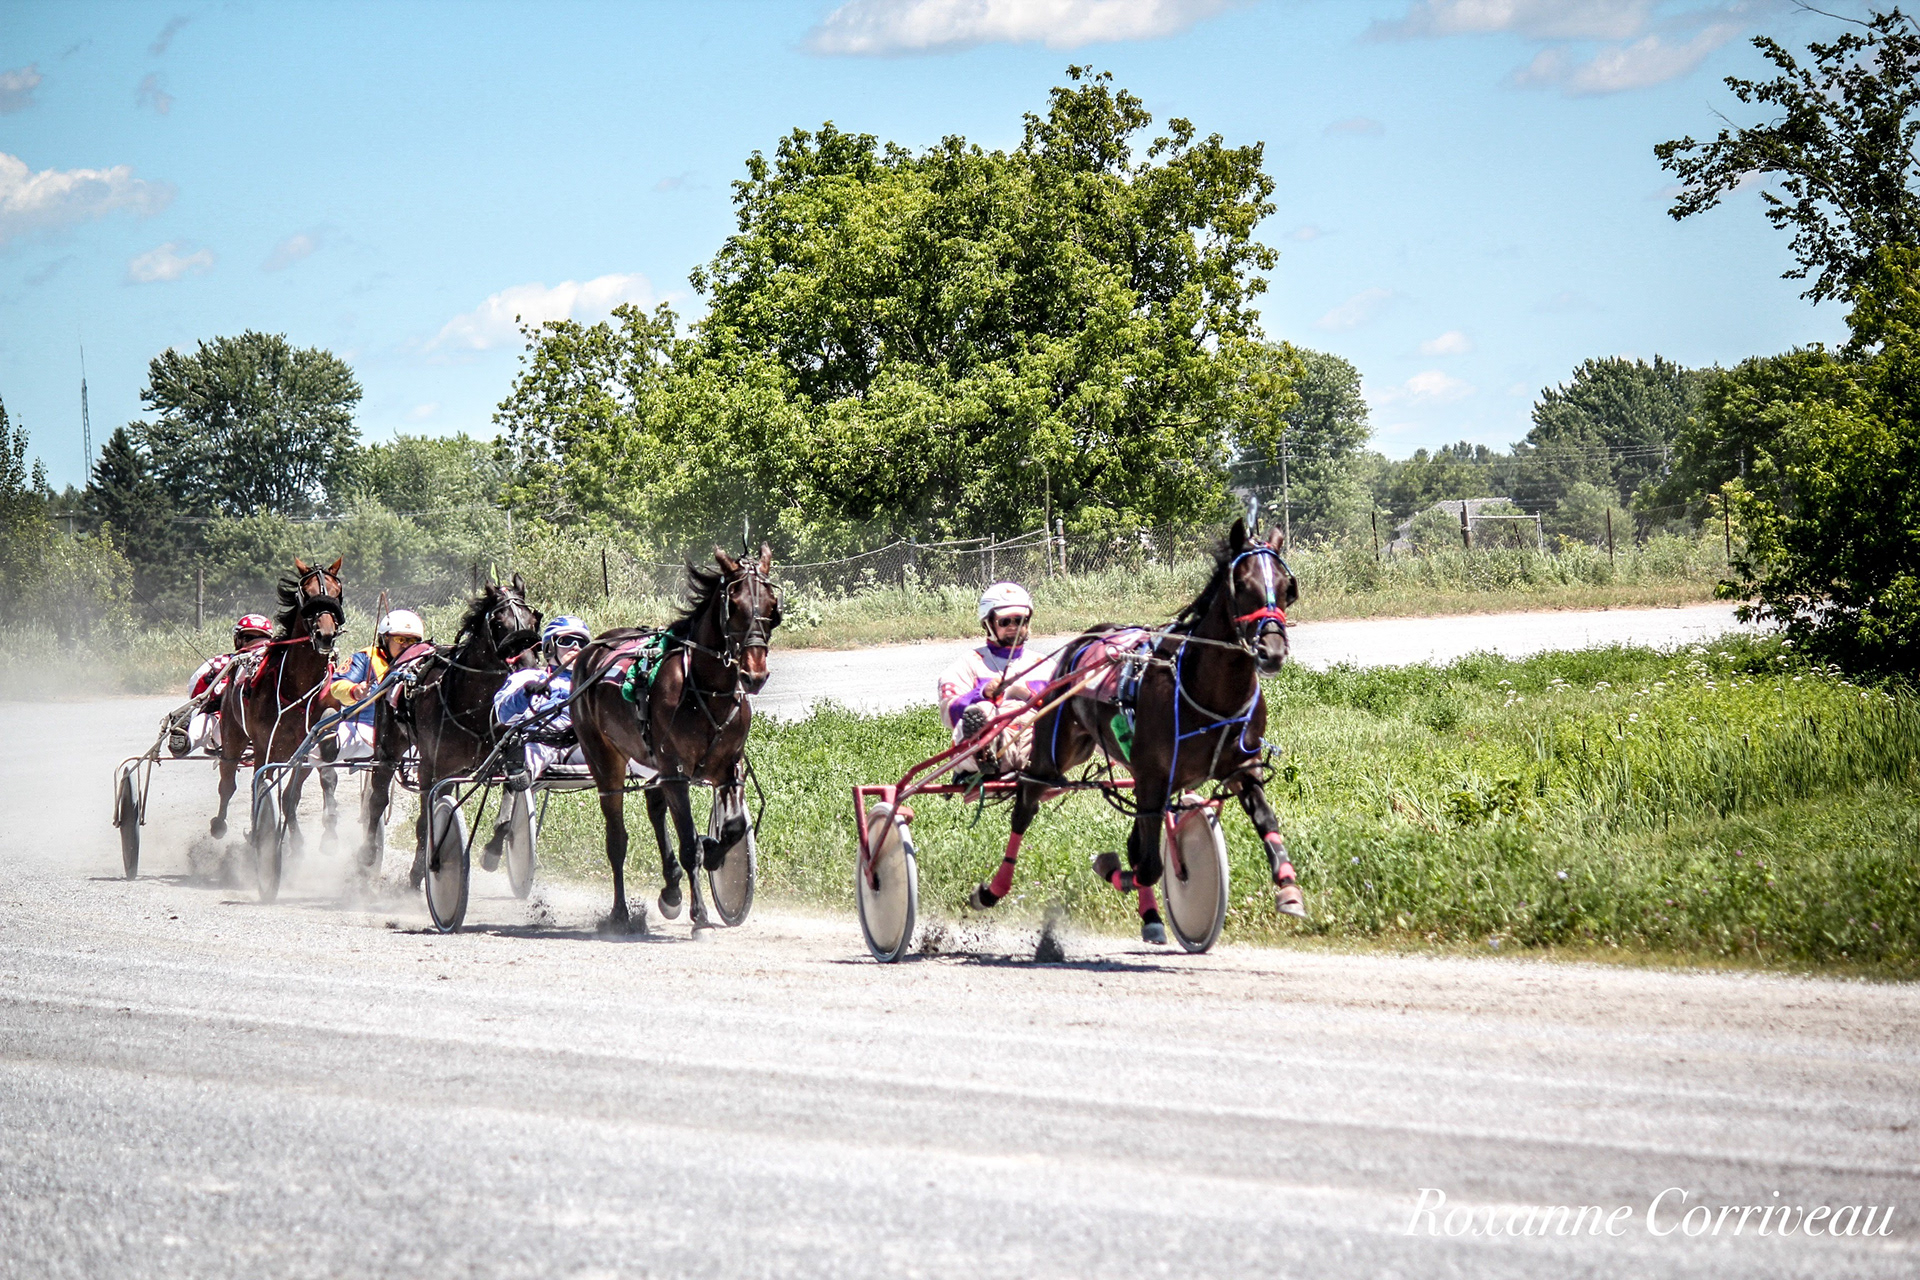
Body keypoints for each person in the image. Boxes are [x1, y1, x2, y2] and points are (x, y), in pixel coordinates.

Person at [936, 581, 1051, 780]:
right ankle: (984, 753)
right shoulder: (969, 663)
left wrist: (1030, 696)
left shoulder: (1046, 666)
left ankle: (1036, 763)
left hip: (1033, 747)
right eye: (1005, 622)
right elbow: (948, 712)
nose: (1014, 627)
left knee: (1049, 718)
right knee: (982, 711)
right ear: (988, 624)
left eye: (1020, 620)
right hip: (987, 747)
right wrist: (982, 694)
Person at [492, 614, 592, 789]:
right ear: (550, 646)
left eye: (581, 643)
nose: (575, 647)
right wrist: (526, 693)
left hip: (581, 742)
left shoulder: (592, 681)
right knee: (536, 749)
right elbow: (503, 716)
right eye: (566, 640)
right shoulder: (529, 676)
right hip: (543, 739)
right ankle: (521, 769)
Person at [327, 609, 426, 762]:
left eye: (412, 641)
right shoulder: (366, 657)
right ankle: (326, 747)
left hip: (406, 734)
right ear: (385, 638)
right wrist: (355, 691)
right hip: (363, 728)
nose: (406, 645)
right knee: (329, 750)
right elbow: (337, 686)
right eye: (400, 639)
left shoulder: (423, 663)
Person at [169, 614, 274, 757]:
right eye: (249, 638)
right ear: (238, 640)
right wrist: (213, 685)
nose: (255, 644)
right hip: (225, 726)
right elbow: (196, 694)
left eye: (261, 639)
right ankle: (184, 742)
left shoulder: (275, 667)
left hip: (266, 727)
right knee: (206, 720)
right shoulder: (222, 663)